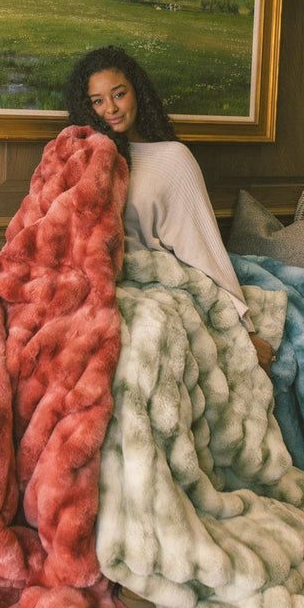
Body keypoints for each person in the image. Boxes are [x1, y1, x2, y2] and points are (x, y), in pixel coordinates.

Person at [65, 45, 276, 375]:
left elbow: (202, 245)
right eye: (98, 100)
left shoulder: (173, 158)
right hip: (102, 281)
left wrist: (241, 328)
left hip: (155, 282)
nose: (110, 109)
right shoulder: (88, 155)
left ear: (138, 92)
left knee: (141, 355)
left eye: (119, 94)